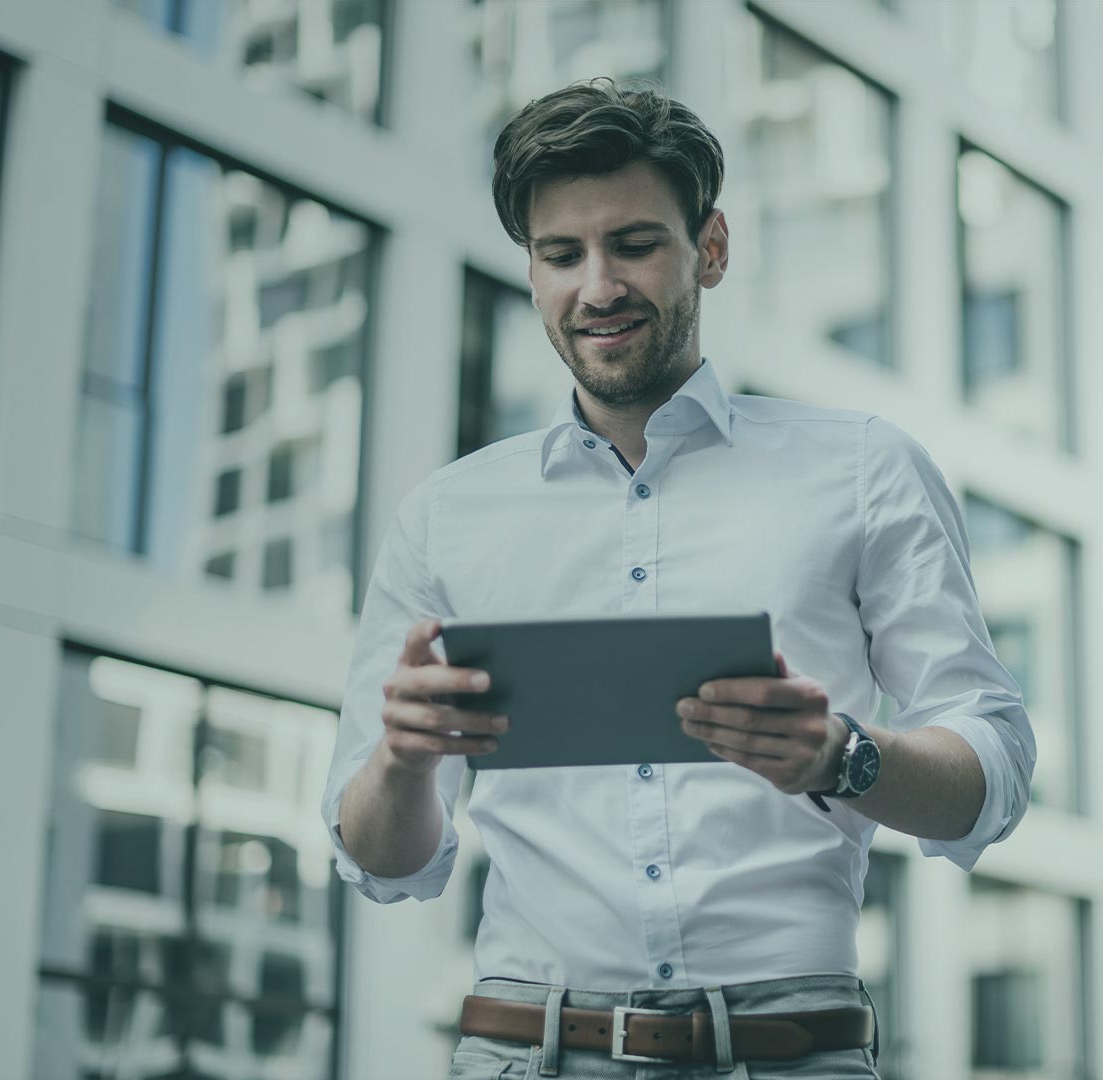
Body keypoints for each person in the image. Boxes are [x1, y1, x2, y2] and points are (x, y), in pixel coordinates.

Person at [320, 77, 1035, 1079]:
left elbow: (993, 774)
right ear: (530, 272)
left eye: (635, 244)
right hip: (528, 1049)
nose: (597, 286)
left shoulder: (866, 469)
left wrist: (843, 756)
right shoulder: (446, 517)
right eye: (561, 255)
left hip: (790, 1050)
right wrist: (399, 761)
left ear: (712, 248)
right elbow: (382, 861)